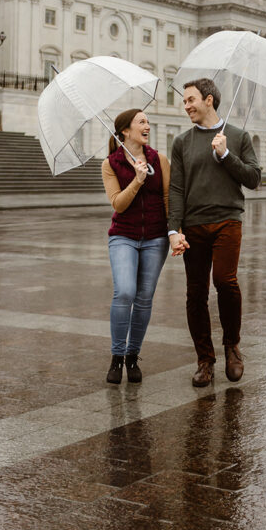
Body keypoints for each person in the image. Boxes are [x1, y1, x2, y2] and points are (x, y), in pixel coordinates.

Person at [168, 78, 261, 387]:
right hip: (194, 225)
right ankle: (204, 360)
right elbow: (178, 188)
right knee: (195, 292)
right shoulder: (182, 142)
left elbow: (252, 178)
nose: (186, 106)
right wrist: (173, 229)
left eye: (191, 100)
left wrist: (225, 156)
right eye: (184, 101)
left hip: (227, 220)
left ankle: (232, 347)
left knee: (225, 281)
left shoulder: (237, 136)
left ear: (209, 100)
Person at [101, 108, 170, 385]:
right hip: (123, 236)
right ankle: (116, 357)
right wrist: (138, 181)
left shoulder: (159, 159)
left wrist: (174, 232)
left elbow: (167, 198)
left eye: (148, 122)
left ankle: (132, 355)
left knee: (144, 298)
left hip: (156, 238)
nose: (148, 126)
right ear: (125, 131)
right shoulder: (111, 163)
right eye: (142, 122)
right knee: (125, 292)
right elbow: (118, 203)